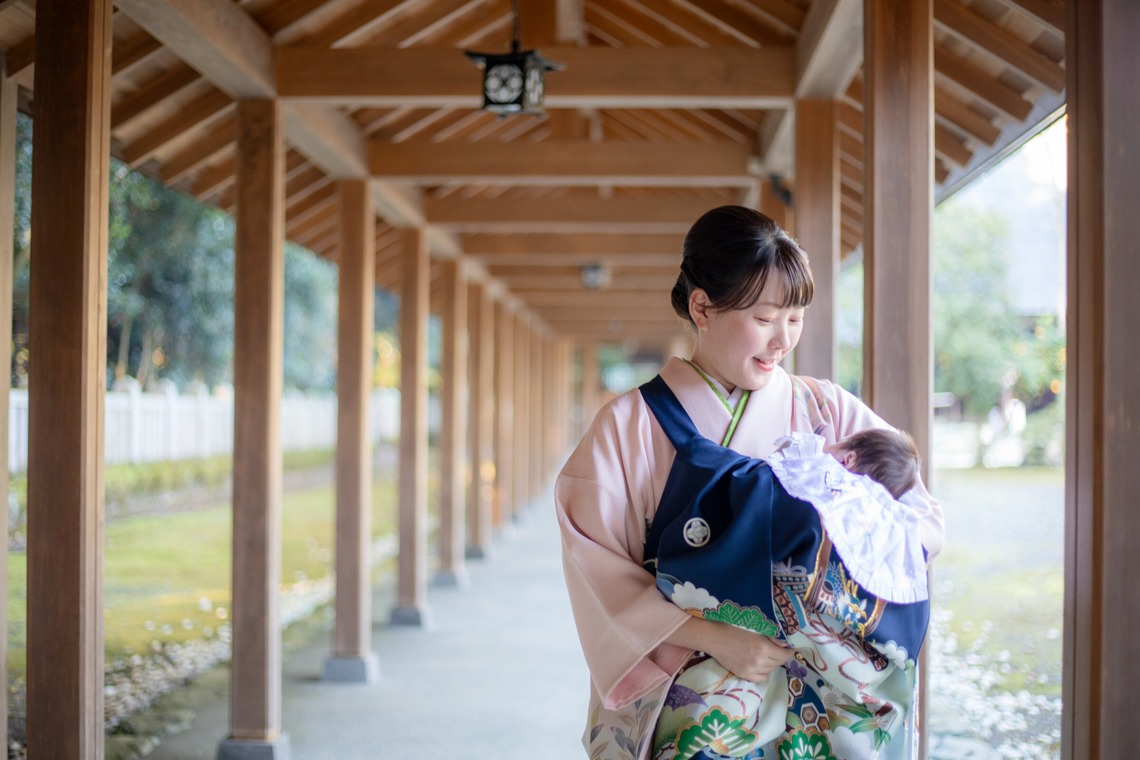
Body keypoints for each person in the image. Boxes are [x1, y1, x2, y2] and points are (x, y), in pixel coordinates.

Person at [555, 205, 944, 760]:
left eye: (795, 317)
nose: (783, 338)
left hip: (819, 689)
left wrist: (833, 580)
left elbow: (921, 518)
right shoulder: (630, 424)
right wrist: (716, 636)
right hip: (688, 685)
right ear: (702, 307)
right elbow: (597, 568)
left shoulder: (827, 410)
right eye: (764, 318)